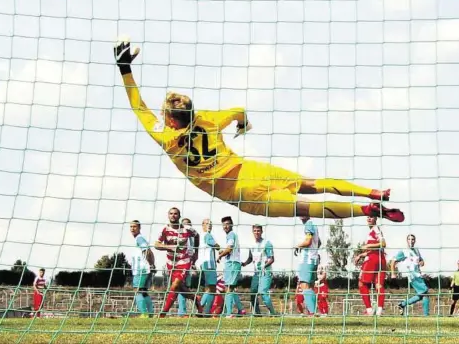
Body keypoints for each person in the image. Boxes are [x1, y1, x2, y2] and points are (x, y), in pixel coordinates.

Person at [112, 36, 404, 223]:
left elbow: (140, 107)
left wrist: (125, 70)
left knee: (305, 208)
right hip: (250, 170)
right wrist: (242, 122)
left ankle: (365, 211)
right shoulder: (209, 118)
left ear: (171, 120)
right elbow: (238, 110)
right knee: (312, 184)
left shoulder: (166, 137)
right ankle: (372, 192)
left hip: (240, 194)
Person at [154, 207, 203, 317]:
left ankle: (163, 313)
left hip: (184, 261)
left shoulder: (187, 229)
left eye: (176, 214)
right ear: (168, 215)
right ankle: (196, 299)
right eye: (171, 213)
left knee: (175, 285)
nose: (173, 215)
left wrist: (196, 252)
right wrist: (169, 247)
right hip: (171, 263)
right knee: (179, 288)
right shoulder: (164, 230)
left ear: (179, 216)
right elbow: (156, 244)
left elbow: (197, 236)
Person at [389, 234, 430, 316]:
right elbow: (393, 261)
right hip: (412, 275)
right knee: (425, 293)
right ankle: (426, 315)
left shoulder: (416, 250)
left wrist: (421, 263)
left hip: (418, 274)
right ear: (406, 240)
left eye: (413, 239)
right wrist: (393, 274)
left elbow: (422, 262)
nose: (411, 241)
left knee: (421, 295)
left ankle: (402, 304)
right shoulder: (404, 251)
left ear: (415, 240)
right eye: (409, 239)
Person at [354, 216, 387, 316]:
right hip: (380, 259)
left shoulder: (376, 229)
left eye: (371, 217)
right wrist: (361, 255)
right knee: (378, 285)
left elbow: (383, 243)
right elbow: (376, 249)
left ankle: (369, 310)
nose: (369, 219)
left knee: (361, 284)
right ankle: (379, 311)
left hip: (373, 259)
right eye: (367, 217)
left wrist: (368, 246)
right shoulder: (373, 231)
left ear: (376, 218)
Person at [242, 224, 276, 315]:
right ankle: (257, 313)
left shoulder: (267, 243)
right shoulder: (251, 244)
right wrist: (244, 264)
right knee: (253, 292)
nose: (256, 232)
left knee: (263, 292)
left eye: (258, 231)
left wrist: (264, 266)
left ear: (261, 232)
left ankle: (273, 313)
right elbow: (250, 258)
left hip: (265, 272)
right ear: (252, 232)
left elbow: (272, 259)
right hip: (256, 273)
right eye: (255, 231)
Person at [217, 216, 247, 317]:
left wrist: (220, 256)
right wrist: (223, 251)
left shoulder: (231, 234)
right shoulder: (232, 235)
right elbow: (230, 249)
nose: (225, 226)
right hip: (233, 263)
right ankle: (241, 309)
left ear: (232, 225)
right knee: (230, 288)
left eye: (227, 224)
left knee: (228, 288)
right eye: (224, 224)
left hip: (232, 264)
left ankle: (229, 313)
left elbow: (229, 249)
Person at [295, 215, 321, 315]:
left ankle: (312, 312)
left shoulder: (308, 225)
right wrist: (314, 252)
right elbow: (319, 242)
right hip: (313, 259)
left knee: (304, 285)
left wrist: (298, 246)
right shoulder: (313, 225)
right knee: (310, 286)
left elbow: (308, 241)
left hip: (307, 260)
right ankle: (314, 312)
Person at [130, 220, 156, 317]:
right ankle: (150, 314)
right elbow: (150, 251)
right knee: (144, 291)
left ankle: (144, 314)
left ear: (139, 228)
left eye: (135, 227)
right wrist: (152, 265)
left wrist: (150, 264)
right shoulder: (140, 239)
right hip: (145, 269)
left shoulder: (139, 239)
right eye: (131, 227)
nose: (132, 228)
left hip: (141, 269)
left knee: (137, 290)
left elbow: (147, 252)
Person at [176, 218, 200, 317]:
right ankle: (182, 312)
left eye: (189, 225)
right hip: (180, 265)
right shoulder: (179, 236)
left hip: (188, 265)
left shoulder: (193, 239)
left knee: (185, 287)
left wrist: (193, 262)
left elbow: (193, 254)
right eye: (185, 224)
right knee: (181, 286)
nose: (187, 226)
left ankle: (183, 311)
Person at [197, 218, 220, 316]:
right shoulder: (207, 235)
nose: (209, 225)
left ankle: (203, 309)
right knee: (212, 288)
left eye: (210, 224)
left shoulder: (201, 236)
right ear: (202, 225)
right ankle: (204, 310)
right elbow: (216, 246)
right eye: (207, 223)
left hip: (203, 264)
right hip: (209, 264)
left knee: (208, 288)